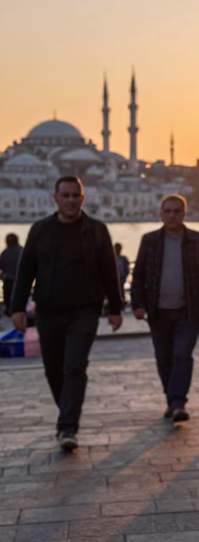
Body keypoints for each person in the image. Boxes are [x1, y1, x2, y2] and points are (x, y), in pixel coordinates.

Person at [9, 177, 123, 451]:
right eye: (66, 195)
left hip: (85, 310)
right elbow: (26, 271)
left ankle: (67, 426)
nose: (71, 200)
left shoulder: (97, 230)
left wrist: (116, 308)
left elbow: (110, 271)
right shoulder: (40, 230)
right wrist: (16, 307)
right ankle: (68, 412)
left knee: (74, 366)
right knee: (54, 370)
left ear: (82, 198)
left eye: (76, 195)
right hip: (48, 310)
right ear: (56, 198)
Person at [129, 195, 199, 422]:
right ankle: (171, 399)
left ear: (184, 213)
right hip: (157, 310)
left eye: (177, 211)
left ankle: (178, 402)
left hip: (188, 309)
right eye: (168, 211)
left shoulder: (197, 240)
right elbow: (138, 274)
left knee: (182, 354)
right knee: (164, 357)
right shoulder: (150, 241)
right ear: (161, 213)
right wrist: (137, 304)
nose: (172, 215)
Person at [0, 233, 21, 316]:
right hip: (21, 280)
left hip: (8, 280)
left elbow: (1, 268)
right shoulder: (22, 251)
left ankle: (9, 311)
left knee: (8, 298)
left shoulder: (5, 252)